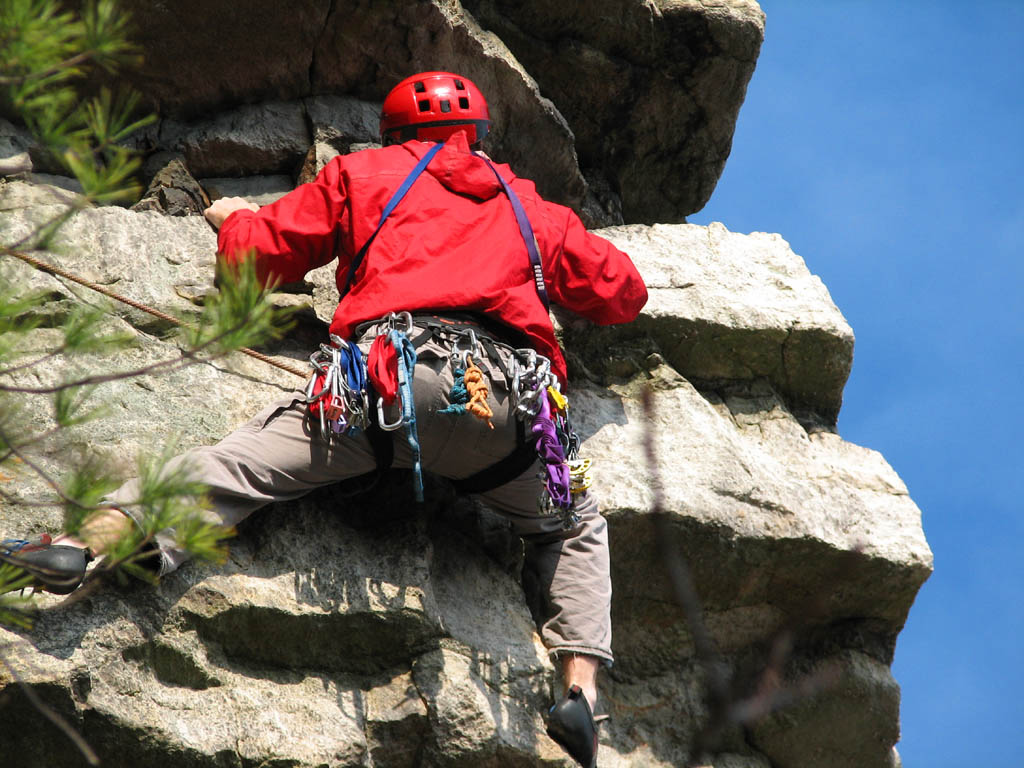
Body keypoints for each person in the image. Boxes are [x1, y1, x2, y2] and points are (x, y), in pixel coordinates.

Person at [3, 72, 647, 768]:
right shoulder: (529, 206)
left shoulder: (363, 174)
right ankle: (579, 694)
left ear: (393, 133)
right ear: (479, 135)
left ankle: (83, 544)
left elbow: (255, 261)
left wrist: (232, 223)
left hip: (389, 388)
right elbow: (623, 293)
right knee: (572, 522)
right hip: (509, 412)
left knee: (237, 469)